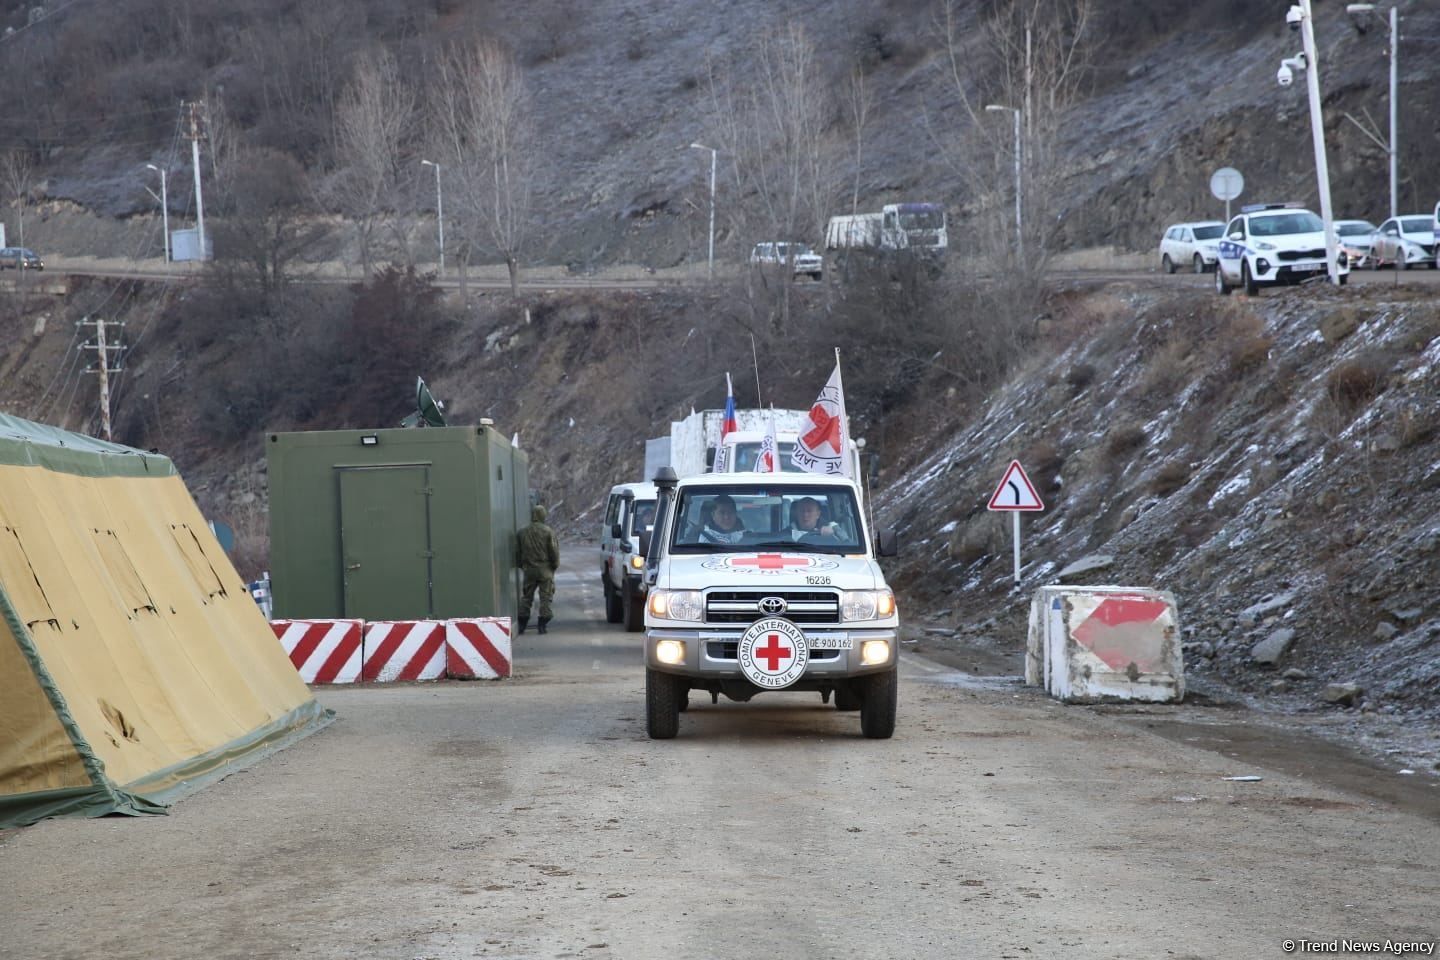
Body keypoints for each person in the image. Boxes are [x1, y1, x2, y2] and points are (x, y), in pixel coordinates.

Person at [516, 504, 560, 634]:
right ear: (543, 515)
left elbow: (518, 552)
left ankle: (522, 624)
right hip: (545, 569)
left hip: (529, 570)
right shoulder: (548, 531)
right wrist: (554, 565)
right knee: (545, 597)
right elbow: (553, 551)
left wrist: (521, 565)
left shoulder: (522, 532)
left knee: (527, 597)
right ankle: (542, 624)